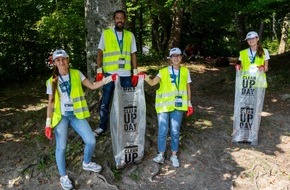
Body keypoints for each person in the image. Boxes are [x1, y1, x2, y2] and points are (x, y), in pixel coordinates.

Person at [44, 49, 116, 190]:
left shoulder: (76, 73)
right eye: (58, 60)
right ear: (54, 63)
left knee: (91, 140)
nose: (61, 62)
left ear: (68, 59)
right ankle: (63, 176)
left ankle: (87, 162)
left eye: (63, 59)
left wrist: (109, 79)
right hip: (61, 117)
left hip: (76, 115)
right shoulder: (52, 80)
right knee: (61, 147)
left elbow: (93, 86)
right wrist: (48, 123)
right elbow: (51, 103)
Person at [140, 47, 194, 168]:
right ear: (170, 59)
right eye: (173, 56)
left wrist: (189, 103)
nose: (176, 58)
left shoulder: (185, 71)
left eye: (178, 55)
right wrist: (144, 76)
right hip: (164, 106)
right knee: (163, 131)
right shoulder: (163, 72)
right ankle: (161, 154)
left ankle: (174, 155)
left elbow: (188, 88)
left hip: (178, 106)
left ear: (181, 57)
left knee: (175, 131)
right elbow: (153, 83)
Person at [94, 9, 138, 136]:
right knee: (105, 102)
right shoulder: (106, 34)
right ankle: (102, 126)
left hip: (125, 75)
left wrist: (135, 72)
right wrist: (99, 71)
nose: (120, 20)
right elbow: (100, 52)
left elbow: (133, 54)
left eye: (122, 18)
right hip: (110, 75)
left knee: (128, 102)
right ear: (114, 20)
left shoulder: (130, 35)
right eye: (117, 18)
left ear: (124, 20)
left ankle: (128, 127)